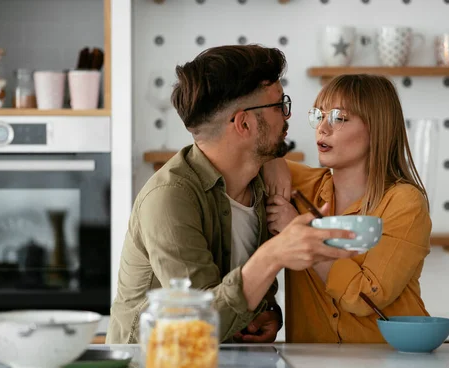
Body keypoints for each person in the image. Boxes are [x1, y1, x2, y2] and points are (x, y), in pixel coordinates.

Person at [106, 45, 358, 344]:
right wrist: (274, 254)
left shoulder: (262, 181)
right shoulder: (169, 198)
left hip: (223, 365)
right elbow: (196, 321)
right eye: (279, 106)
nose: (287, 116)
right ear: (244, 123)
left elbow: (244, 294)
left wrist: (267, 312)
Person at [263, 74, 432, 343]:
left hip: (391, 367)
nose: (323, 128)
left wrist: (300, 233)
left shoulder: (405, 203)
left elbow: (365, 295)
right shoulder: (302, 185)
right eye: (319, 116)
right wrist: (272, 160)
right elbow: (250, 153)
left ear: (378, 127)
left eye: (339, 118)